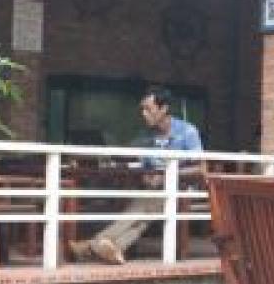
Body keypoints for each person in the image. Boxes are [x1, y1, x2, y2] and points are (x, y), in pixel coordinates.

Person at [70, 87, 203, 264]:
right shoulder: (147, 137)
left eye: (148, 109)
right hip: (155, 191)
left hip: (182, 189)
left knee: (146, 202)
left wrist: (168, 176)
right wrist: (147, 177)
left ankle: (92, 245)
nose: (143, 114)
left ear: (163, 109)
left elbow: (201, 168)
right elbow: (146, 167)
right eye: (142, 109)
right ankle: (113, 247)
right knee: (143, 216)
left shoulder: (187, 131)